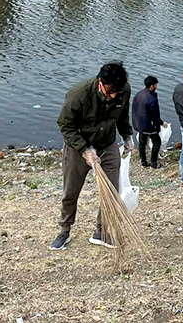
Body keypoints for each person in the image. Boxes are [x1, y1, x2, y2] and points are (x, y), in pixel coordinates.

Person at [50, 61, 135, 251]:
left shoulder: (123, 90)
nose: (113, 95)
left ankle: (101, 231)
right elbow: (66, 125)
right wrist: (85, 150)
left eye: (117, 92)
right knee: (71, 190)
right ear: (100, 81)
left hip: (107, 143)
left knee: (111, 190)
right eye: (109, 91)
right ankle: (64, 230)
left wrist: (127, 135)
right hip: (78, 146)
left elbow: (122, 116)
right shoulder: (79, 94)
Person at [132, 75, 166, 169]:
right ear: (152, 86)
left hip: (140, 124)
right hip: (149, 125)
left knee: (142, 143)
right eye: (156, 84)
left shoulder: (139, 94)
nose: (156, 86)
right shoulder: (151, 99)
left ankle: (143, 161)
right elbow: (155, 116)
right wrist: (161, 123)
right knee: (157, 142)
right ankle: (153, 162)